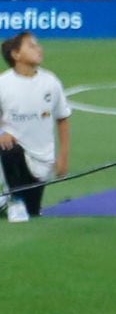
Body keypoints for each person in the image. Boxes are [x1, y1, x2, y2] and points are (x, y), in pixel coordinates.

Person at [0, 32, 71, 221]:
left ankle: (7, 201)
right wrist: (2, 132)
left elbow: (62, 118)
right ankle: (13, 199)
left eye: (38, 45)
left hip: (42, 160)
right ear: (16, 55)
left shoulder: (51, 82)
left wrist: (63, 157)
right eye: (31, 46)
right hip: (12, 155)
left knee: (32, 212)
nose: (38, 48)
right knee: (8, 149)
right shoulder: (3, 83)